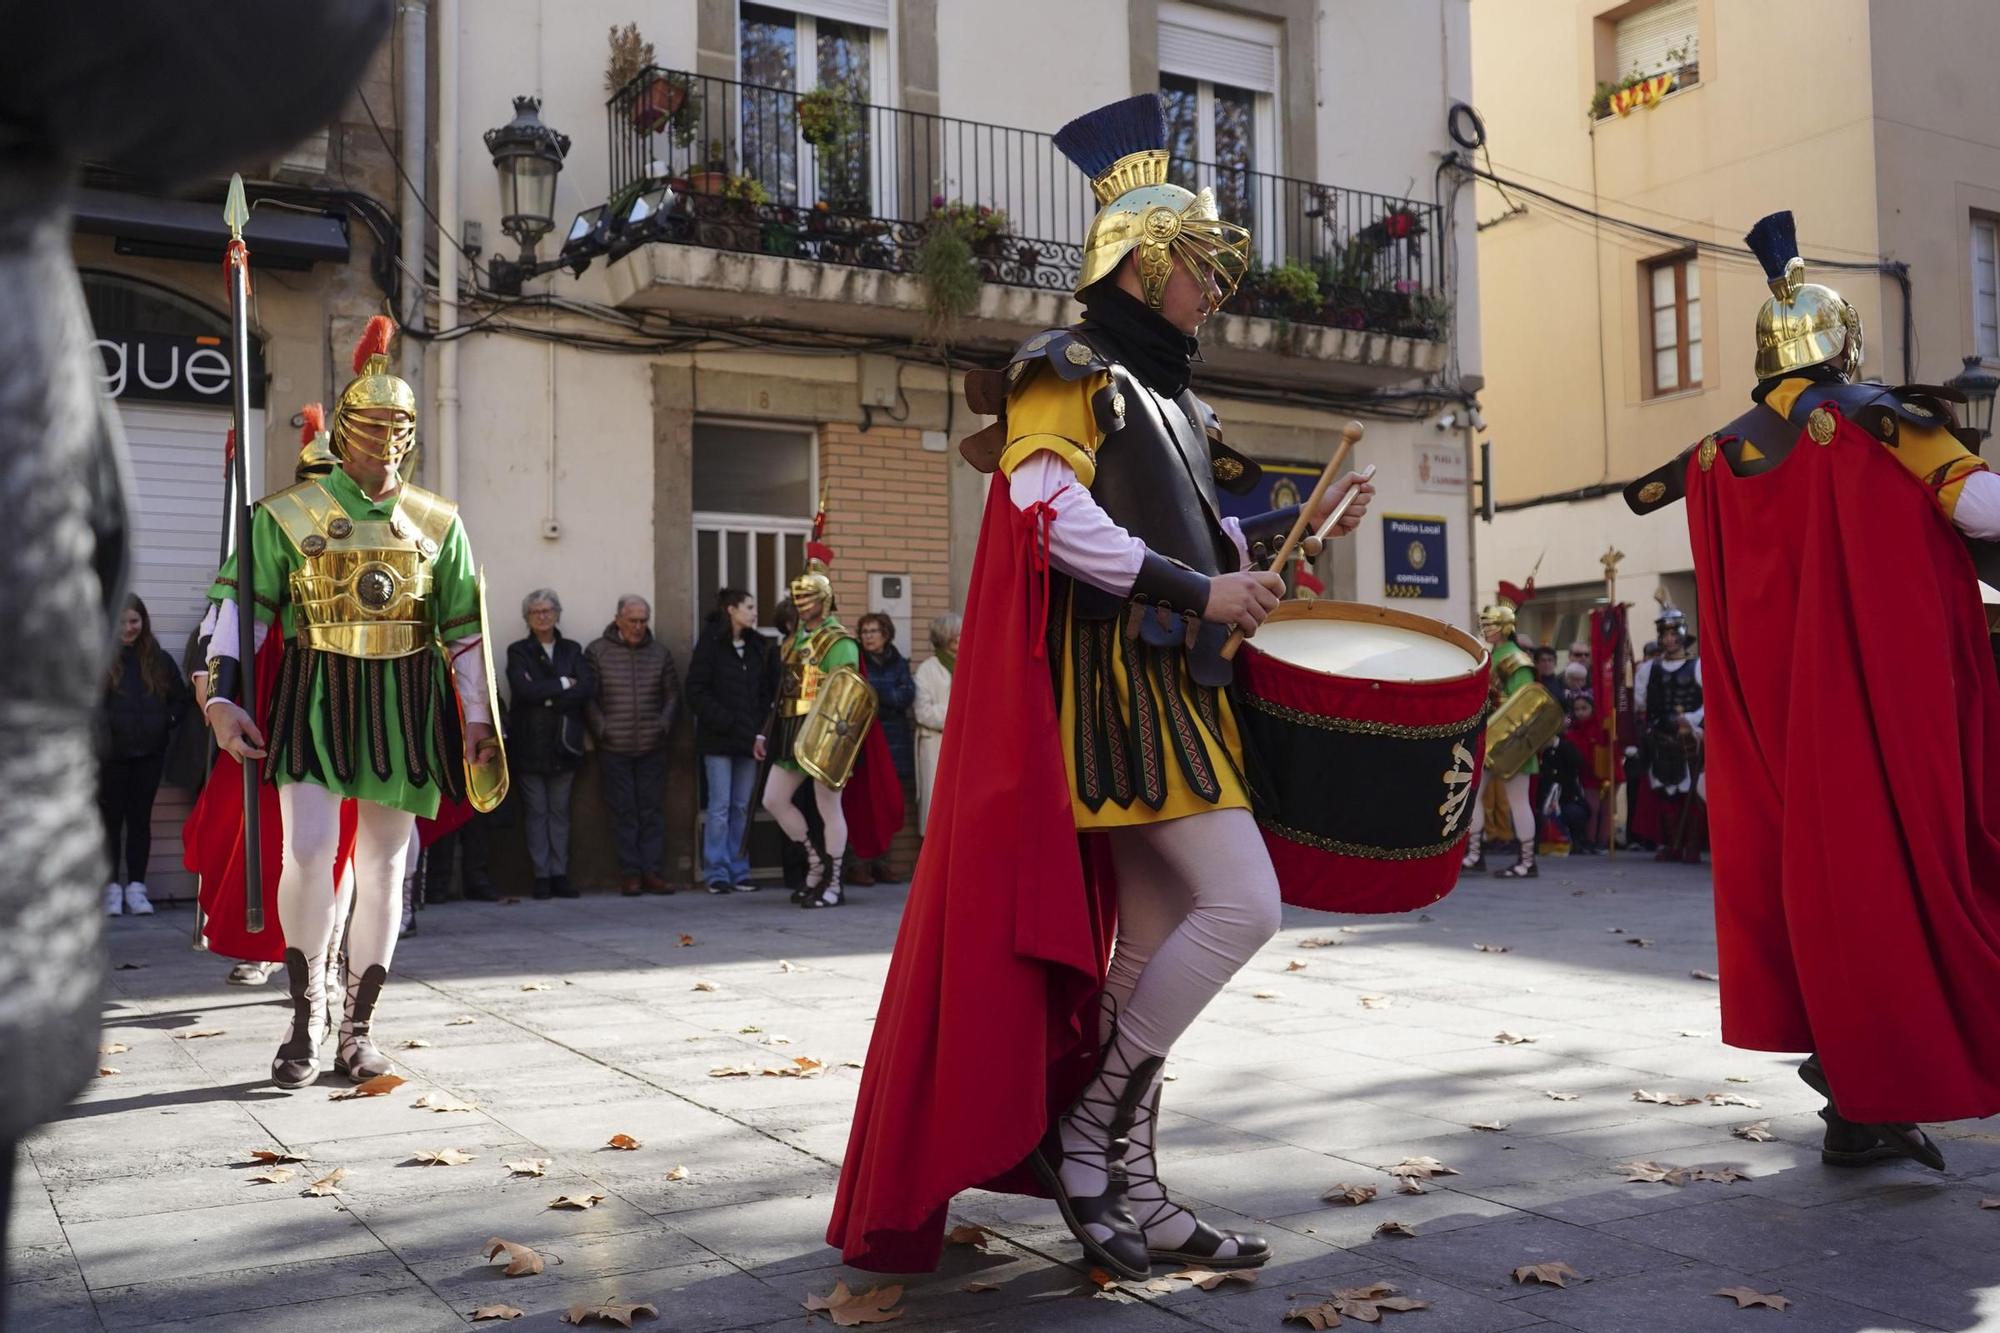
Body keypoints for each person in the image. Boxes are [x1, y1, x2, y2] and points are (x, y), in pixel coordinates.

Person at [829, 92, 1374, 1278]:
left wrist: (1277, 543)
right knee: (1243, 907)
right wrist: (1198, 590)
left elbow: (1198, 537)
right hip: (1118, 698)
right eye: (1197, 266)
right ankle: (1088, 1139)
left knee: (1157, 937)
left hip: (1173, 689)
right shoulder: (1062, 366)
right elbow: (1043, 511)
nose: (1210, 289)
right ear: (1138, 264)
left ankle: (1132, 1182)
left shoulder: (1176, 396)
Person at [1625, 208, 2000, 1171]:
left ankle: (1853, 1098)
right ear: (1845, 343)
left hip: (1778, 728)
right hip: (1880, 710)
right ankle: (1873, 1082)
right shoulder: (1881, 422)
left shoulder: (1716, 456)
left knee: (1826, 895)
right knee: (1907, 884)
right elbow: (1976, 503)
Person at [202, 316, 501, 1090]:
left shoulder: (439, 524)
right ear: (343, 428)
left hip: (403, 699)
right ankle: (307, 1012)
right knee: (305, 849)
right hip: (312, 695)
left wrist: (477, 722)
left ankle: (359, 1027)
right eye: (372, 427)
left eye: (400, 428)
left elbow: (464, 629)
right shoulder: (283, 517)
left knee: (384, 861)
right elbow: (236, 612)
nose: (386, 442)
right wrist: (218, 698)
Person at [756, 532, 876, 910]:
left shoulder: (840, 641)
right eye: (798, 597)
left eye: (808, 598)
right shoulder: (792, 640)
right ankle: (813, 860)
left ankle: (835, 879)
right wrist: (765, 732)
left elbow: (847, 696)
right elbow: (781, 693)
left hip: (825, 732)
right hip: (792, 727)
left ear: (823, 599)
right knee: (774, 799)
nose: (801, 604)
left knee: (828, 806)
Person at [98, 594, 189, 916]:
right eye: (121, 621)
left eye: (134, 621)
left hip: (149, 755)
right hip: (110, 758)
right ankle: (110, 889)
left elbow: (180, 699)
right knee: (109, 822)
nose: (128, 628)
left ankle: (137, 888)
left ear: (143, 621)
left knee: (139, 822)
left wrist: (167, 722)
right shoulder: (99, 657)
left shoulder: (158, 659)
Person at [586, 594, 681, 896]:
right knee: (623, 811)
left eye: (643, 621)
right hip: (614, 747)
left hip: (652, 745)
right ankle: (630, 874)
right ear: (619, 620)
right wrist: (602, 729)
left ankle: (652, 871)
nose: (638, 627)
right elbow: (589, 697)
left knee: (652, 810)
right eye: (633, 621)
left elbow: (672, 695)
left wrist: (663, 726)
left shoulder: (660, 653)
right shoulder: (597, 652)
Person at [506, 588, 594, 899]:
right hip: (530, 742)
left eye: (547, 611)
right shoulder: (518, 651)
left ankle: (560, 873)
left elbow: (585, 687)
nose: (542, 617)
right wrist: (560, 683)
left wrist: (548, 695)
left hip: (564, 743)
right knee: (536, 811)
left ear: (557, 614)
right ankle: (541, 876)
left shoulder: (572, 649)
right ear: (527, 618)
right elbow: (524, 690)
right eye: (535, 613)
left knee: (560, 811)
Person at [686, 587, 773, 894]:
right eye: (748, 606)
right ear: (731, 610)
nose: (754, 612)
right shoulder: (710, 645)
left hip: (749, 740)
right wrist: (726, 721)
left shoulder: (756, 647)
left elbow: (765, 694)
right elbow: (696, 691)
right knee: (720, 807)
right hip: (719, 740)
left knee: (741, 807)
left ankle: (740, 868)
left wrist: (760, 731)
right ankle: (716, 871)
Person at [1463, 579, 1542, 878]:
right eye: (1484, 624)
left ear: (1505, 627)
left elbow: (1525, 703)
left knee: (1517, 800)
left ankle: (1526, 860)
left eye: (1491, 624)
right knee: (1471, 795)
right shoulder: (1487, 657)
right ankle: (1474, 853)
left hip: (1512, 740)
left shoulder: (1517, 659)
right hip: (1487, 736)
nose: (1486, 629)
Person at [849, 612, 915, 885]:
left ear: (885, 634)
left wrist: (878, 695)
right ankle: (858, 865)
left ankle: (882, 863)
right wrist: (884, 697)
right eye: (864, 632)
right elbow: (857, 696)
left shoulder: (898, 662)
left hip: (894, 743)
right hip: (865, 744)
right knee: (864, 803)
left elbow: (906, 695)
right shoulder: (856, 661)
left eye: (874, 631)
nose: (868, 637)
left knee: (888, 803)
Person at [912, 612, 961, 835]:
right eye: (957, 635)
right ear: (946, 638)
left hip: (963, 745)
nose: (961, 639)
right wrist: (958, 715)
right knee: (936, 806)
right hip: (936, 744)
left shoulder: (969, 664)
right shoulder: (927, 669)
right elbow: (923, 712)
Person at [1566, 691, 1613, 851]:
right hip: (1587, 774)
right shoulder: (1573, 731)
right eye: (1577, 709)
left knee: (1607, 808)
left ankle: (1603, 839)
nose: (1580, 712)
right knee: (1593, 807)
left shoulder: (1602, 727)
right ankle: (1590, 839)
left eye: (1584, 708)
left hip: (1605, 771)